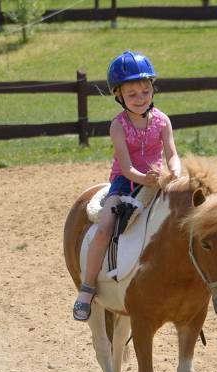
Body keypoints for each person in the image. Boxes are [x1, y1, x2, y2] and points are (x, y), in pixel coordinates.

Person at [73, 50, 181, 321]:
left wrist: (175, 173)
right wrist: (143, 179)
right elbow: (127, 165)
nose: (140, 99)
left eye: (144, 92)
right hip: (125, 182)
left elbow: (172, 153)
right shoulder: (118, 126)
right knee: (105, 227)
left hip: (158, 178)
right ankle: (87, 288)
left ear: (152, 90)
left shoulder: (163, 120)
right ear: (119, 96)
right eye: (132, 94)